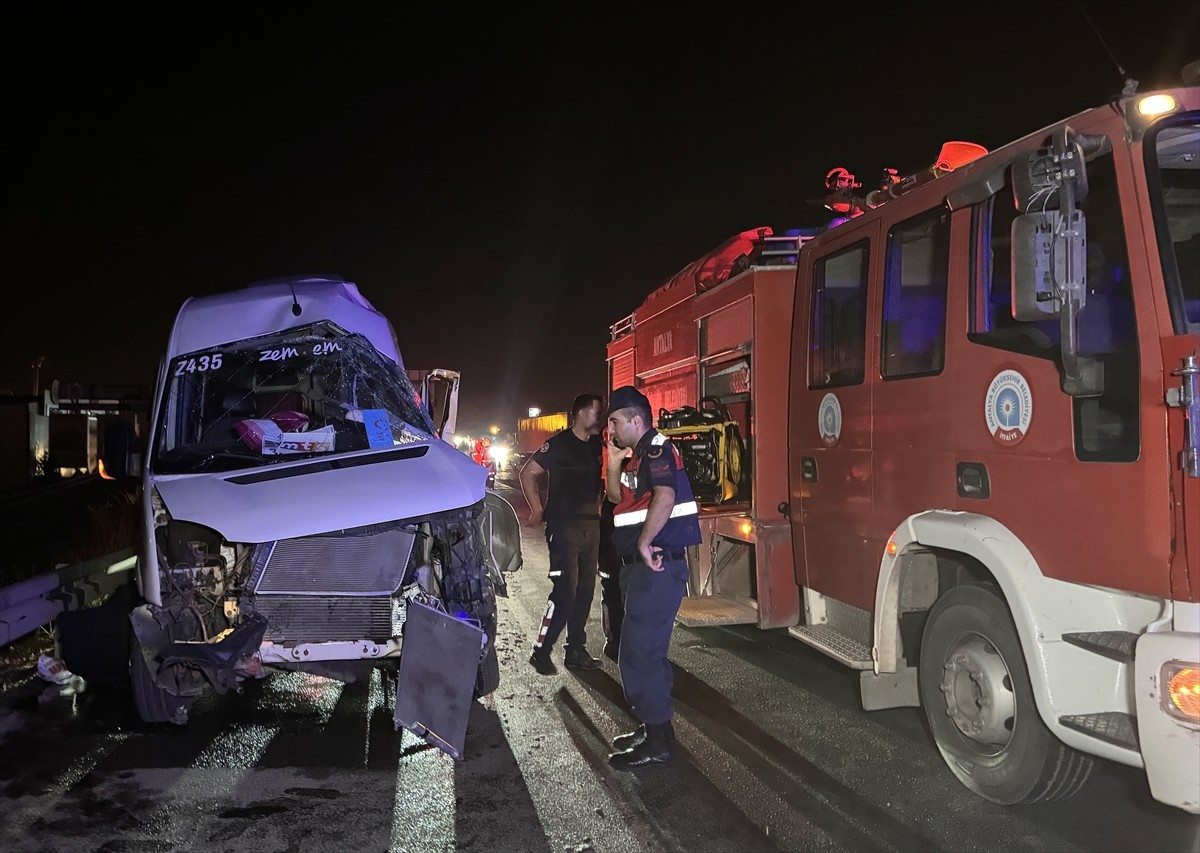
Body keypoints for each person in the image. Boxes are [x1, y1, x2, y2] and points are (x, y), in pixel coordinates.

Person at [604, 385, 701, 767]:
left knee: (638, 652)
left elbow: (664, 495)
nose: (610, 427)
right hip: (639, 569)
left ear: (634, 419)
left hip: (655, 565)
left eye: (614, 421)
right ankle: (654, 727)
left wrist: (644, 543)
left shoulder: (658, 449)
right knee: (647, 651)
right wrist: (613, 463)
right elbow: (615, 499)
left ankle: (658, 739)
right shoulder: (634, 456)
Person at [520, 393, 606, 674]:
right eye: (596, 412)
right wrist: (536, 509)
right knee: (565, 592)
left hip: (591, 525)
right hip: (563, 526)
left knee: (584, 591)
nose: (600, 418)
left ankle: (575, 651)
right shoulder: (557, 445)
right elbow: (527, 473)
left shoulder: (596, 445)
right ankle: (541, 651)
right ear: (581, 414)